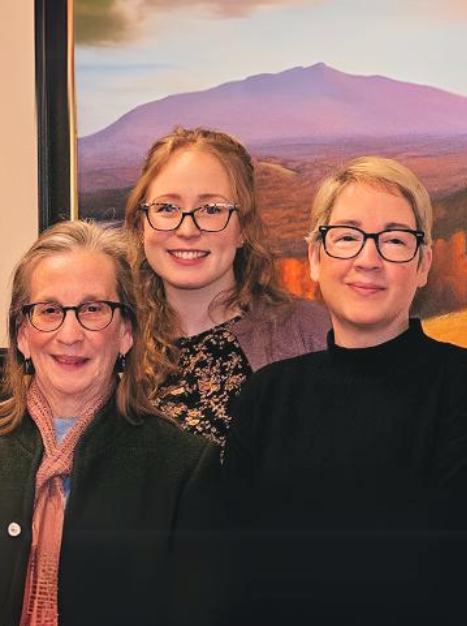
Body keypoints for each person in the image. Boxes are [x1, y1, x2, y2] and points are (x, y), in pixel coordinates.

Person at [223, 157, 467, 626]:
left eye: (396, 240)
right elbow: (235, 577)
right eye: (347, 236)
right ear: (316, 258)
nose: (369, 258)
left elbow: (462, 588)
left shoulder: (465, 385)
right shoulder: (268, 396)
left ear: (423, 265)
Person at [0, 221, 224, 626]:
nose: (69, 333)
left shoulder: (183, 468)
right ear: (22, 335)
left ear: (126, 333)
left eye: (93, 310)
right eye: (48, 311)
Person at [124, 127, 329, 445]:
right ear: (141, 225)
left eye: (212, 209)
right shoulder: (111, 345)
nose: (188, 229)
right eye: (167, 208)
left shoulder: (314, 337)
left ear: (243, 228)